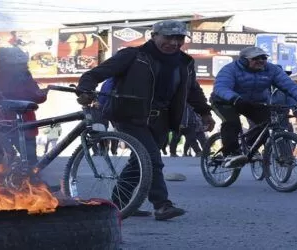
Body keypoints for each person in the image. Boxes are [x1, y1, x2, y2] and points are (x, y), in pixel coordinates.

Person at [76, 20, 215, 221]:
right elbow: (96, 74)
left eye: (179, 38)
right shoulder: (132, 55)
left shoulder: (185, 62)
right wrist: (85, 90)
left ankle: (118, 205)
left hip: (162, 119)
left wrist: (205, 112)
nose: (174, 43)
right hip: (129, 115)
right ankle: (162, 205)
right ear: (154, 35)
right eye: (168, 37)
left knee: (138, 162)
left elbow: (192, 90)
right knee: (150, 159)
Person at [210, 46, 297, 168]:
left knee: (267, 125)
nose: (261, 61)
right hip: (225, 101)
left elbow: (290, 87)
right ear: (244, 60)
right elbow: (221, 87)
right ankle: (230, 154)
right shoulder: (230, 69)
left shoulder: (271, 70)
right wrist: (235, 98)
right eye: (256, 58)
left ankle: (249, 147)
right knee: (232, 122)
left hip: (252, 103)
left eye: (264, 58)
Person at [0, 47, 48, 169]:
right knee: (29, 160)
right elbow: (37, 96)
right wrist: (44, 92)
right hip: (22, 124)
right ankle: (34, 183)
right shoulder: (23, 74)